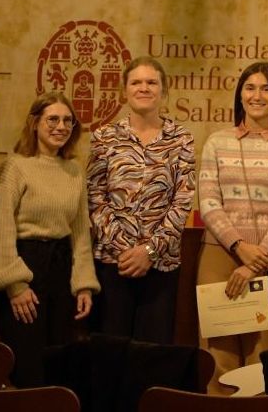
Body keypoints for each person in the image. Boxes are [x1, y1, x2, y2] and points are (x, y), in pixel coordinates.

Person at [197, 61, 268, 394]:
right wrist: (238, 247)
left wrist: (256, 258)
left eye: (265, 88)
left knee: (261, 362)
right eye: (250, 87)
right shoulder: (217, 142)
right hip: (219, 254)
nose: (257, 95)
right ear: (240, 94)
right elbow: (208, 202)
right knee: (218, 359)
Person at [0, 92, 99, 387]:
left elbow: (79, 232)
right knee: (27, 365)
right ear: (35, 123)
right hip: (26, 268)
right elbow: (2, 228)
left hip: (61, 272)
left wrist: (84, 284)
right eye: (53, 119)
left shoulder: (75, 170)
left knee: (58, 364)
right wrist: (15, 284)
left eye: (67, 121)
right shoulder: (15, 166)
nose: (61, 126)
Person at [86, 57, 194, 344]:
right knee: (109, 352)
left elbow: (182, 202)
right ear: (124, 91)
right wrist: (126, 250)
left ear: (163, 91)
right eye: (136, 82)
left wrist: (149, 251)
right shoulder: (103, 138)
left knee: (152, 355)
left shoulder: (182, 140)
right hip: (113, 262)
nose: (143, 88)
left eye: (151, 82)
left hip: (161, 265)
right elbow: (95, 198)